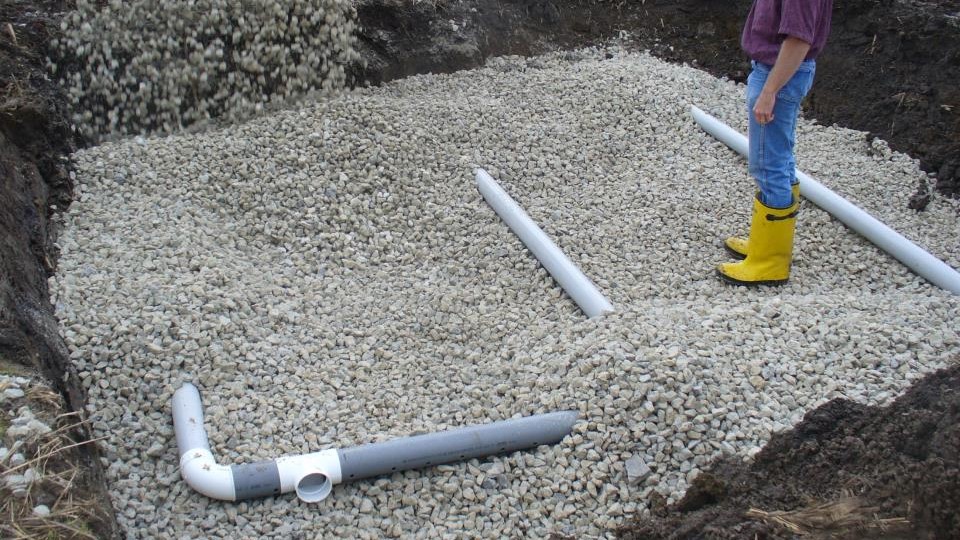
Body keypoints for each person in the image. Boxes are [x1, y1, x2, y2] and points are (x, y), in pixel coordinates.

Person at [718, 0, 833, 286]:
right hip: (775, 71)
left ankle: (769, 263)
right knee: (779, 158)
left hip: (779, 74)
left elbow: (798, 40)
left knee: (768, 164)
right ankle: (764, 245)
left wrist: (770, 91)